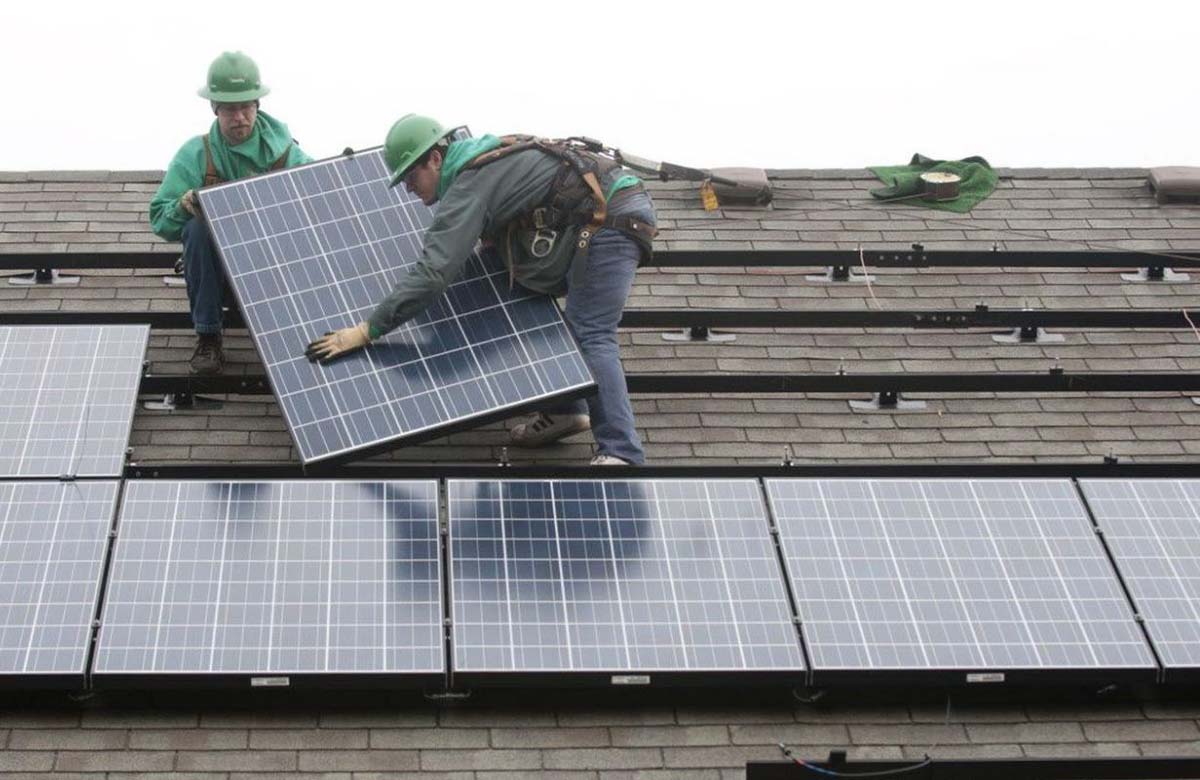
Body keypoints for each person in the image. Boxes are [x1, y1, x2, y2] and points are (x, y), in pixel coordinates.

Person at [305, 115, 656, 465]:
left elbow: (434, 271)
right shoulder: (483, 164)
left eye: (412, 175)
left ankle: (621, 452)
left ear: (437, 159)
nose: (409, 188)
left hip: (612, 219)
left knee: (590, 331)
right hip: (595, 217)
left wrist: (369, 329)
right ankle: (565, 409)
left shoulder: (470, 182)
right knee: (497, 273)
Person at [149, 52, 312, 374]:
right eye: (230, 109)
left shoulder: (284, 152)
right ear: (215, 109)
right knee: (196, 229)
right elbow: (160, 220)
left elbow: (321, 193)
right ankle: (209, 336)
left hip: (275, 273)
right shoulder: (196, 154)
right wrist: (182, 207)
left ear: (257, 105)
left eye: (246, 107)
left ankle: (294, 330)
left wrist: (348, 174)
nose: (239, 117)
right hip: (221, 277)